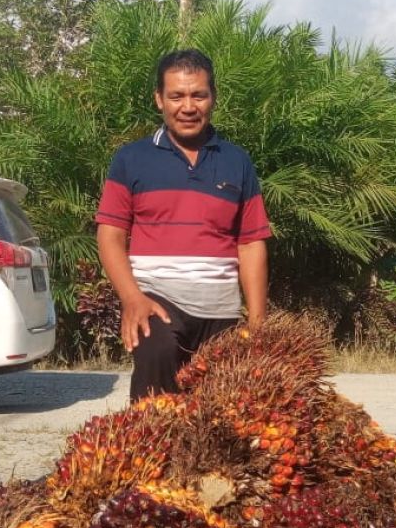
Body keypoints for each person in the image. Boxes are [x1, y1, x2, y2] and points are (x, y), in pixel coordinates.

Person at [96, 49, 272, 401]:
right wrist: (132, 298)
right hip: (157, 303)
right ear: (159, 99)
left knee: (219, 422)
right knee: (155, 416)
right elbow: (110, 235)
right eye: (177, 96)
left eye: (198, 95)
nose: (188, 106)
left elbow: (251, 243)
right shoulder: (132, 159)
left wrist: (257, 322)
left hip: (221, 313)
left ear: (213, 98)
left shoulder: (237, 161)